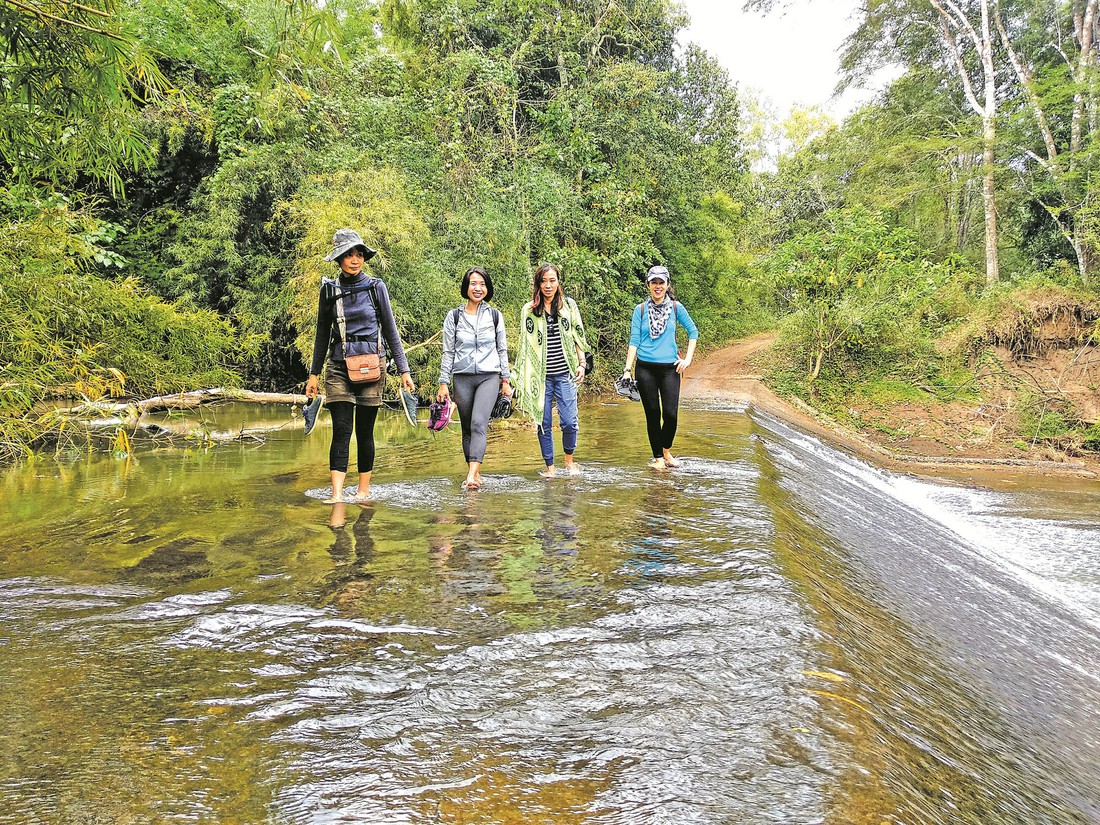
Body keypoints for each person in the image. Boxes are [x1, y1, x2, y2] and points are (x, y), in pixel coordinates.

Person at [305, 229, 416, 503]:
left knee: (365, 432)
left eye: (359, 254)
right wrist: (313, 374)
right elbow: (321, 333)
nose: (355, 260)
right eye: (349, 255)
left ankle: (363, 491)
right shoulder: (329, 290)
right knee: (342, 430)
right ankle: (337, 495)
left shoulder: (376, 287)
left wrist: (404, 370)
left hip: (372, 366)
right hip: (338, 367)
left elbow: (391, 331)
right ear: (339, 259)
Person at [437, 266, 513, 490]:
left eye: (482, 284)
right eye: (473, 283)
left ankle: (471, 475)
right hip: (462, 377)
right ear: (466, 287)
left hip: (489, 376)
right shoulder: (454, 316)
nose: (477, 288)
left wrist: (505, 381)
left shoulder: (495, 316)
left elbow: (502, 350)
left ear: (487, 288)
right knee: (467, 428)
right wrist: (443, 382)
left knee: (479, 422)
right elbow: (448, 352)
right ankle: (475, 473)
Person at [514, 263, 590, 478]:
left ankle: (569, 461)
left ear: (558, 282)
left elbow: (578, 336)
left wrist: (582, 363)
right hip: (540, 377)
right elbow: (524, 345)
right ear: (538, 284)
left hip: (565, 372)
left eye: (552, 280)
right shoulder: (528, 310)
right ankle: (550, 468)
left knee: (569, 421)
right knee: (543, 421)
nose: (548, 285)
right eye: (543, 281)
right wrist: (518, 377)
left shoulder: (569, 306)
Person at [622, 264, 698, 470]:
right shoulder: (640, 310)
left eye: (661, 282)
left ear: (667, 285)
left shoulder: (676, 308)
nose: (657, 286)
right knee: (653, 413)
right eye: (653, 282)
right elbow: (634, 341)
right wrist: (627, 369)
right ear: (648, 285)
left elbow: (693, 332)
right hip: (645, 368)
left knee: (671, 415)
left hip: (670, 369)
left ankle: (666, 450)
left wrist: (688, 359)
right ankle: (658, 458)